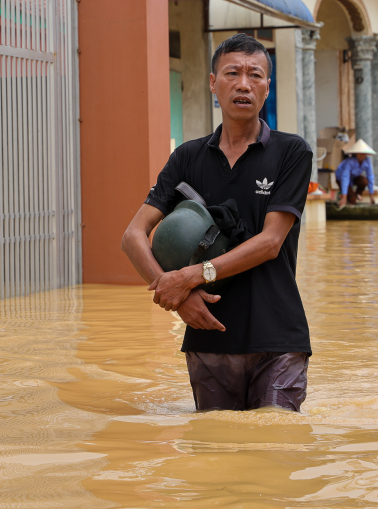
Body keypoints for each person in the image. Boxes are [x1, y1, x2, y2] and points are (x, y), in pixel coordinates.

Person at [121, 33, 313, 412]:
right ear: (213, 83)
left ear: (266, 87)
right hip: (208, 336)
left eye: (255, 75)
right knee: (214, 453)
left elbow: (271, 241)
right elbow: (132, 236)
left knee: (276, 446)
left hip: (277, 337)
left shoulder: (291, 152)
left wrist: (192, 276)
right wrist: (177, 298)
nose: (244, 84)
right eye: (232, 73)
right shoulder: (187, 158)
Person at [335, 139, 377, 207]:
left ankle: (357, 194)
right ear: (356, 154)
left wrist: (371, 196)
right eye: (360, 154)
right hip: (341, 178)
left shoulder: (367, 161)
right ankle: (349, 198)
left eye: (364, 154)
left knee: (364, 181)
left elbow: (370, 177)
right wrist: (344, 197)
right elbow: (344, 178)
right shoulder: (349, 162)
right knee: (352, 199)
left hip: (354, 177)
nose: (362, 156)